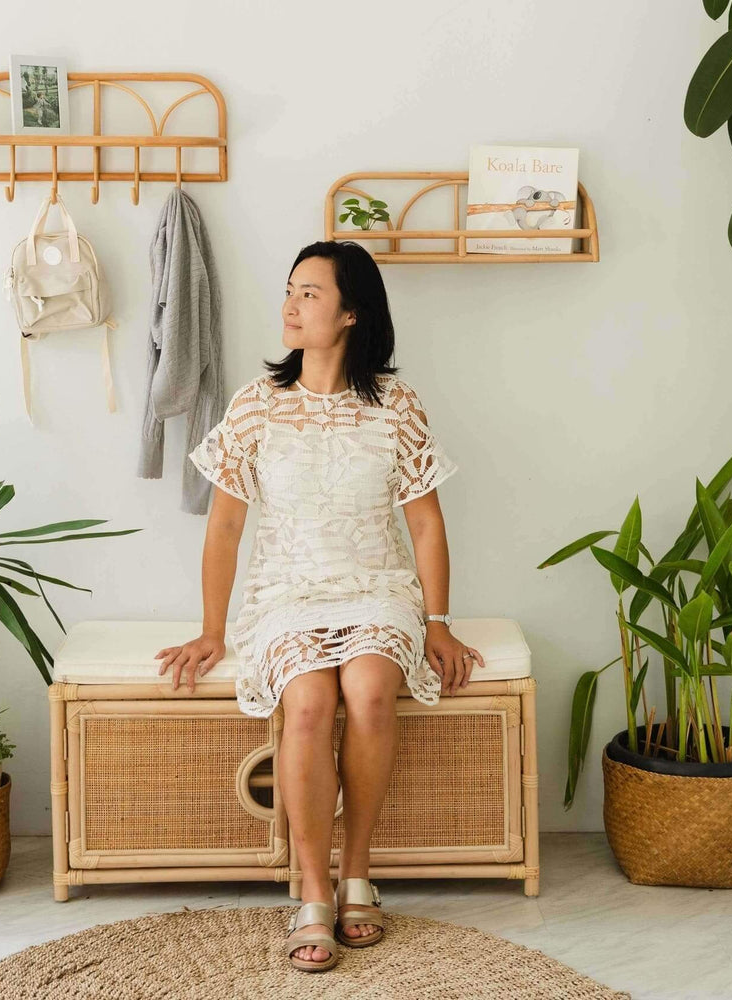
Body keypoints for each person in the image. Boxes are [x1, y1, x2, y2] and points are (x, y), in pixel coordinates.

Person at [155, 239, 485, 973]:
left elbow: (425, 523)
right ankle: (311, 889)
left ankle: (357, 872)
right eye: (290, 289)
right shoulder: (256, 405)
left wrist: (438, 624)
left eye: (309, 293)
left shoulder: (395, 405)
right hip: (287, 592)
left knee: (368, 689)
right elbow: (227, 526)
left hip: (377, 589)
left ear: (350, 314)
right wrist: (213, 629)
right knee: (306, 703)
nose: (291, 304)